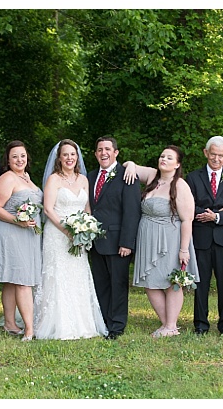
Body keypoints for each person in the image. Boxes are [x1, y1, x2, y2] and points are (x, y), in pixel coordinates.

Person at [123, 146, 199, 338]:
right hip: (148, 238)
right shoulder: (152, 176)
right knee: (150, 282)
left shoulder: (180, 185)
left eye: (169, 157)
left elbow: (187, 219)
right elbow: (125, 165)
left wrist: (184, 249)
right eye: (162, 156)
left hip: (170, 239)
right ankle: (167, 325)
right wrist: (131, 165)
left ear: (178, 164)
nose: (163, 159)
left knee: (171, 282)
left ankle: (171, 325)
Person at [34, 139, 106, 340]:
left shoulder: (83, 179)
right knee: (57, 275)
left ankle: (82, 324)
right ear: (59, 158)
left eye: (72, 154)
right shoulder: (53, 180)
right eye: (65, 154)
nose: (69, 158)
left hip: (79, 235)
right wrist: (68, 231)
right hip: (57, 235)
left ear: (77, 157)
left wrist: (87, 229)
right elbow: (48, 209)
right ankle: (56, 324)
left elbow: (87, 209)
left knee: (77, 276)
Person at [184, 136, 223, 336]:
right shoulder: (193, 178)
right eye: (213, 154)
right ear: (206, 153)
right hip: (201, 238)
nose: (216, 159)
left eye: (220, 156)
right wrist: (211, 213)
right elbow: (188, 206)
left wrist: (217, 216)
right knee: (200, 284)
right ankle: (200, 325)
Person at [0, 140, 41, 341]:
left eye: (22, 155)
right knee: (22, 280)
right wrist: (18, 221)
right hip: (9, 232)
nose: (19, 159)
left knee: (12, 281)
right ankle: (29, 329)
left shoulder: (26, 177)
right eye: (14, 156)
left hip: (26, 234)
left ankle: (10, 323)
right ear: (8, 160)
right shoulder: (7, 178)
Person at [86, 137, 140, 340]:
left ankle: (117, 325)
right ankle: (103, 322)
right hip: (95, 241)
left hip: (118, 242)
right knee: (101, 284)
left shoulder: (127, 175)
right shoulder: (90, 176)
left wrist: (127, 242)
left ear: (116, 152)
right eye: (100, 150)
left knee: (118, 285)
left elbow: (132, 211)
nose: (103, 153)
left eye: (108, 149)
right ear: (95, 154)